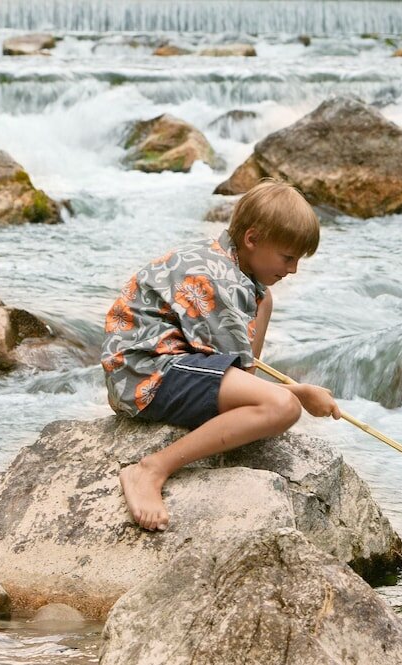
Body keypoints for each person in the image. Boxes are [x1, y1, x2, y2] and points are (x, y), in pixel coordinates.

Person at [101, 180, 340, 531]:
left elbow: (243, 379)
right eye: (288, 257)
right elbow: (246, 382)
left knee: (265, 305)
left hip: (173, 365)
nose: (293, 270)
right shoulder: (216, 280)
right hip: (145, 375)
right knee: (282, 408)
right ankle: (151, 469)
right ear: (253, 239)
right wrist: (299, 394)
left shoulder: (244, 278)